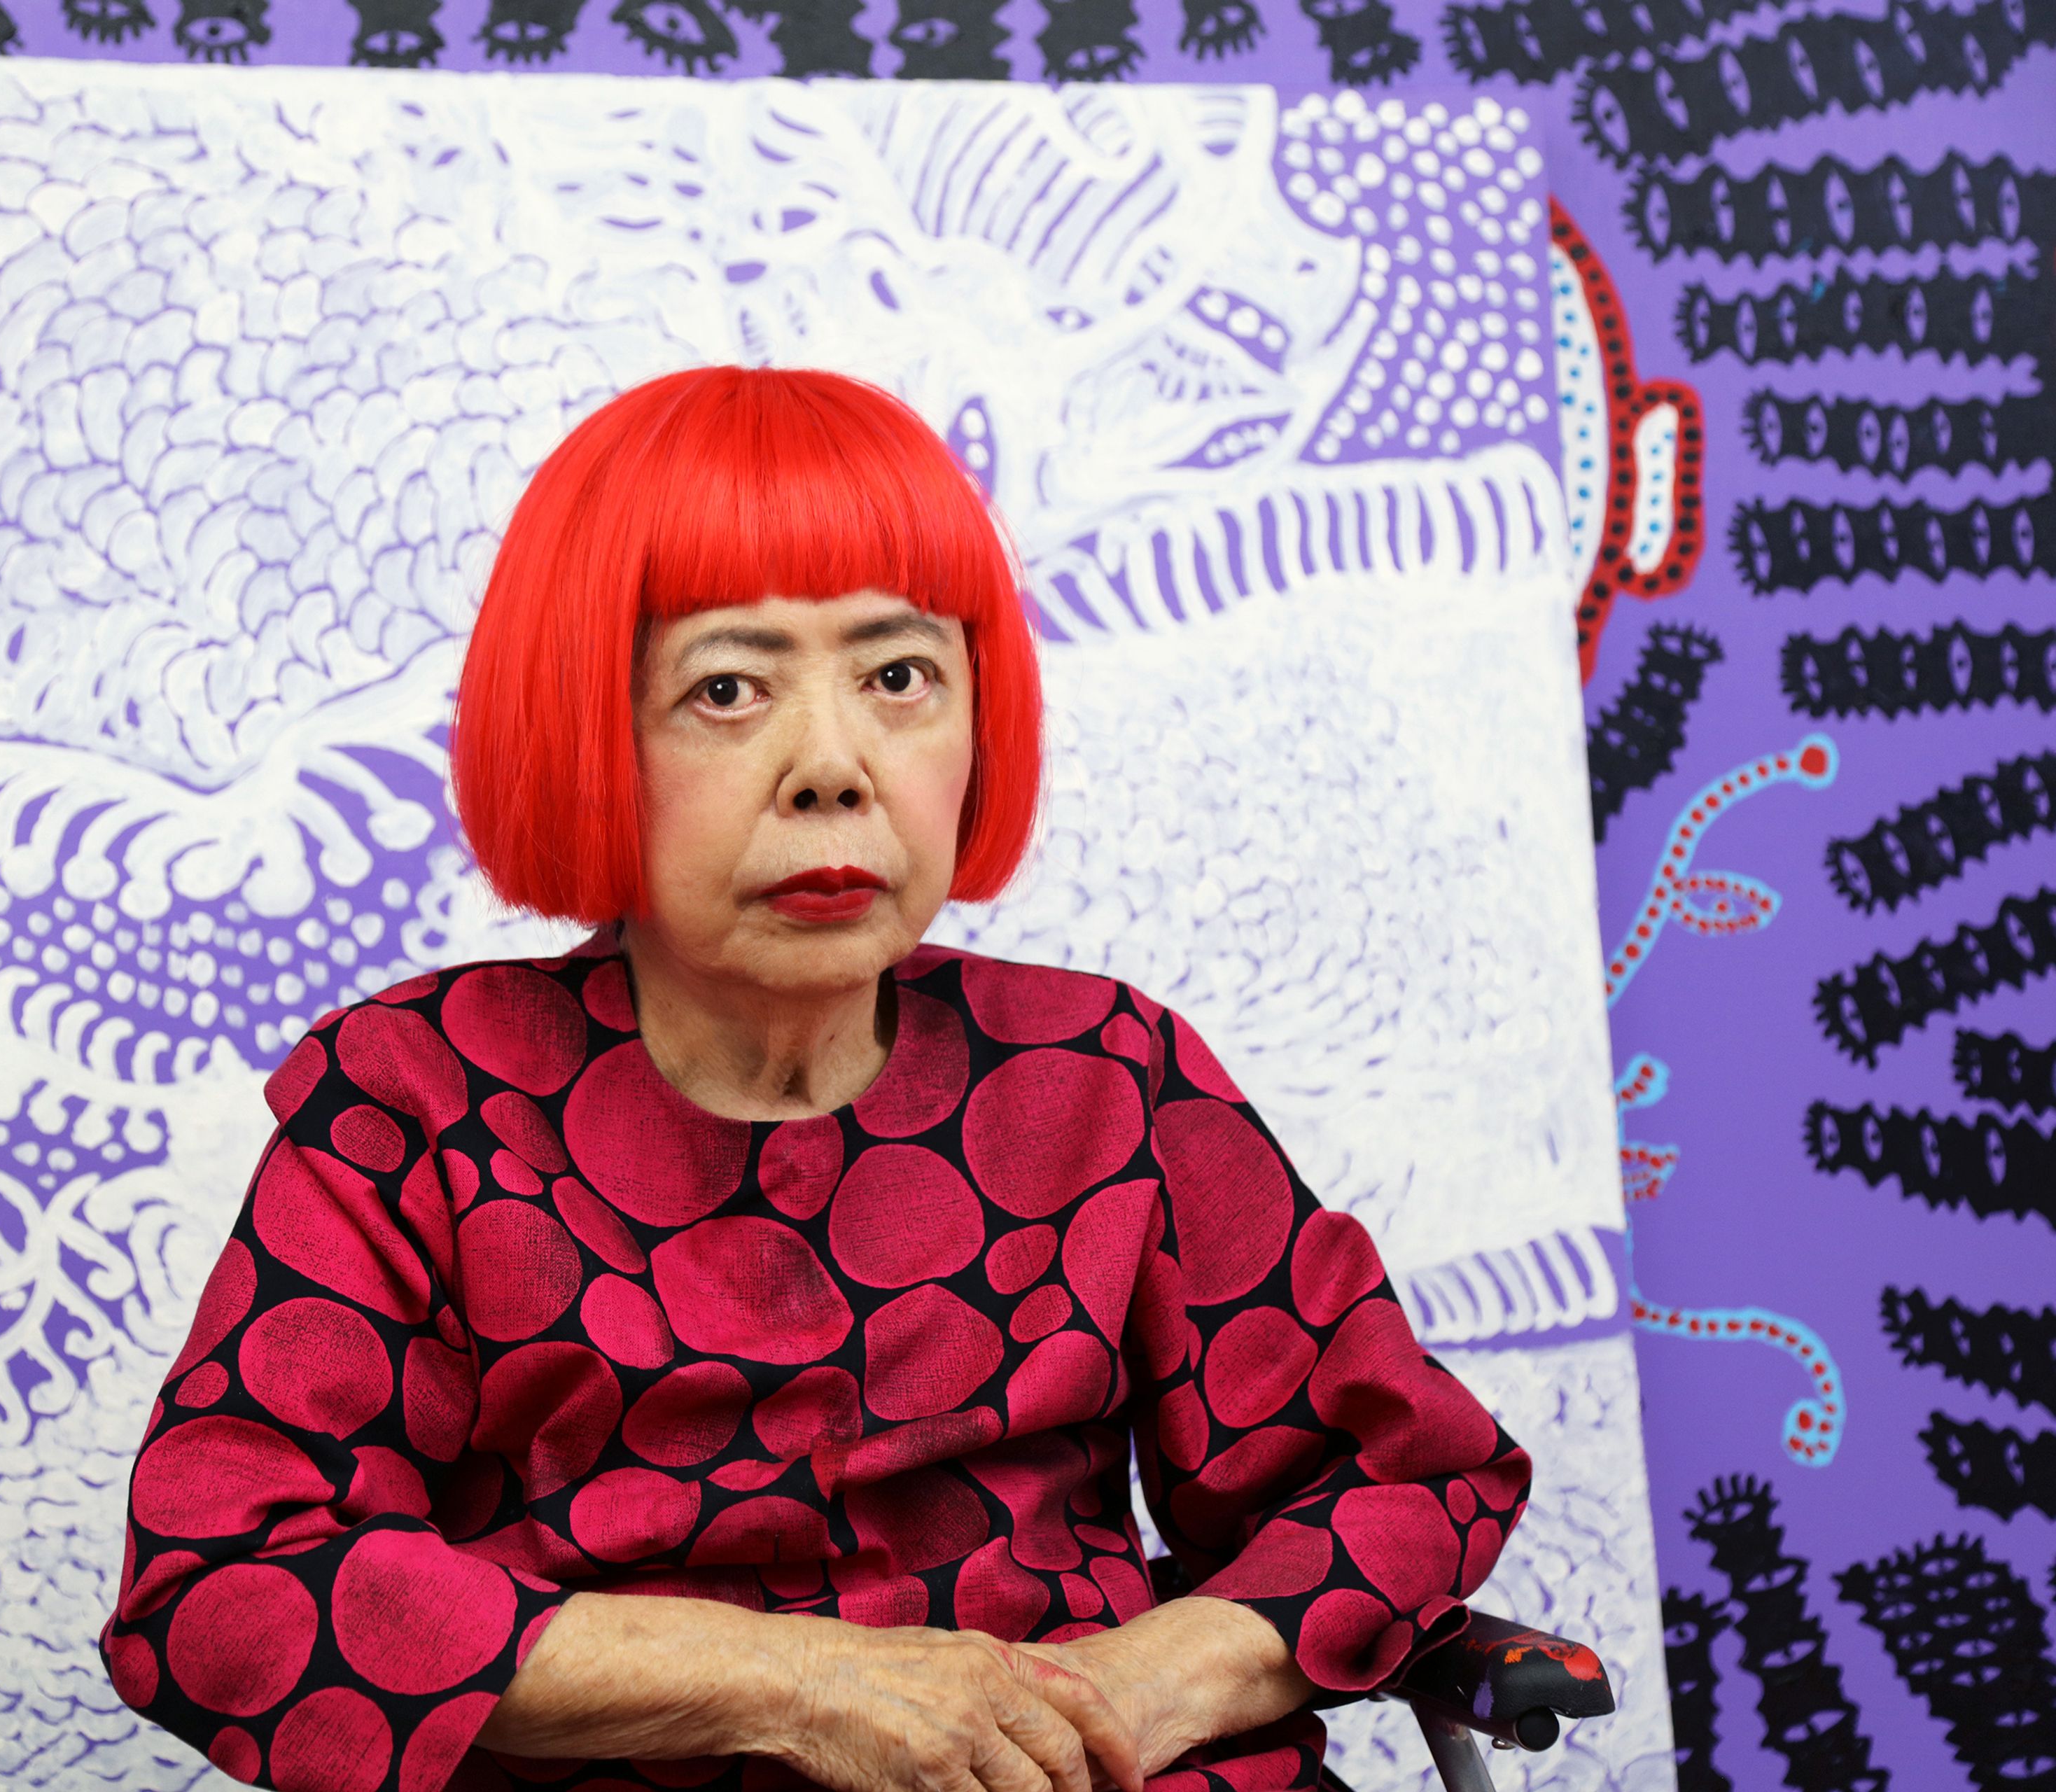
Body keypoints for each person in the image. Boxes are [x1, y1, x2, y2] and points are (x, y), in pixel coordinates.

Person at [99, 367, 1531, 1792]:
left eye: (899, 676)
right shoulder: (412, 1100)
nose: (834, 765)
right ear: (588, 729)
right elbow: (223, 1584)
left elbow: (1411, 1470)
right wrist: (798, 1682)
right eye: (728, 687)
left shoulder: (1109, 1073)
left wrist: (1136, 1687)